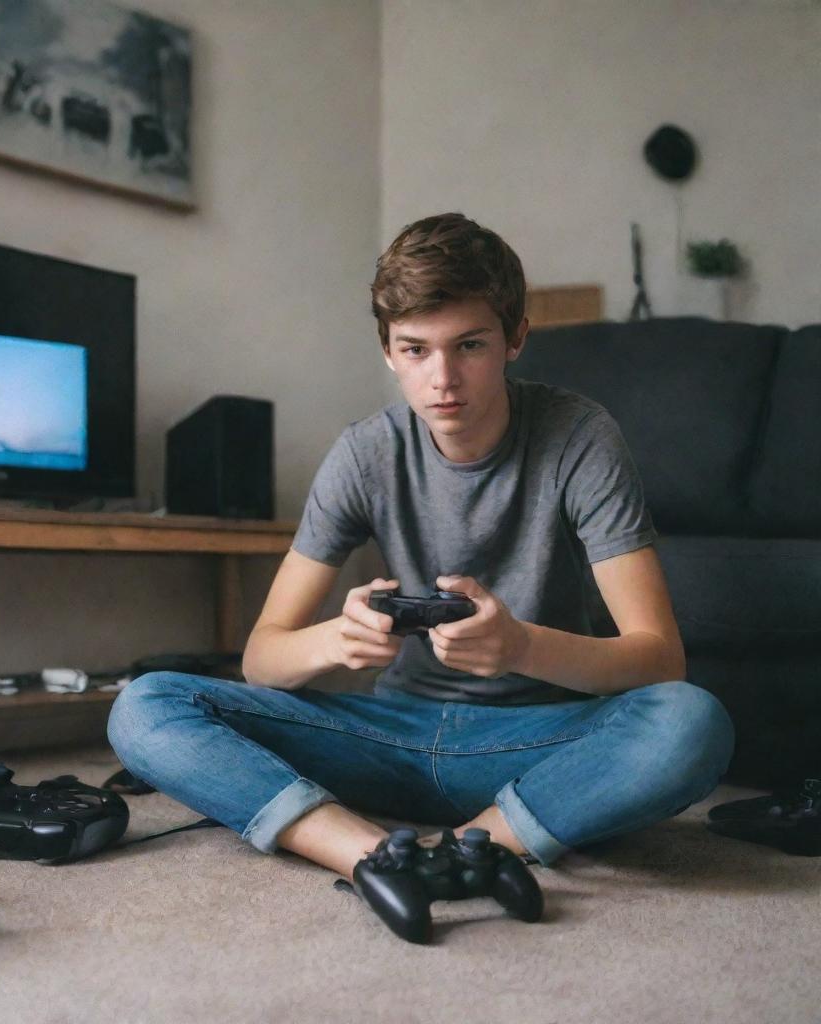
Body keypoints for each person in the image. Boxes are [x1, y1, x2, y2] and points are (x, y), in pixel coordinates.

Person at [107, 212, 734, 879]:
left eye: (469, 346)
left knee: (692, 723)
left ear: (516, 337)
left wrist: (520, 646)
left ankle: (477, 847)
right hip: (386, 738)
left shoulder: (580, 437)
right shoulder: (364, 453)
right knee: (145, 704)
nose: (443, 379)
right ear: (386, 349)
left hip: (536, 739)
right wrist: (334, 642)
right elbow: (262, 659)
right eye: (415, 349)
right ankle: (372, 857)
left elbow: (661, 660)